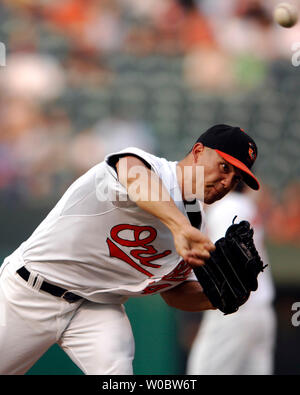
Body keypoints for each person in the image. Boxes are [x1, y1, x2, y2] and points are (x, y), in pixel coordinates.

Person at [0, 124, 260, 375]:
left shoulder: (194, 223)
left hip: (96, 307)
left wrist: (219, 297)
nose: (227, 182)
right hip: (28, 292)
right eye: (224, 167)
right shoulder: (146, 166)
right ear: (198, 151)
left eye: (235, 178)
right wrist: (178, 226)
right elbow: (133, 176)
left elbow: (174, 293)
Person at [186, 182, 276, 375]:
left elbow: (223, 264)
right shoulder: (245, 204)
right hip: (261, 312)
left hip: (234, 312)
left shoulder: (227, 207)